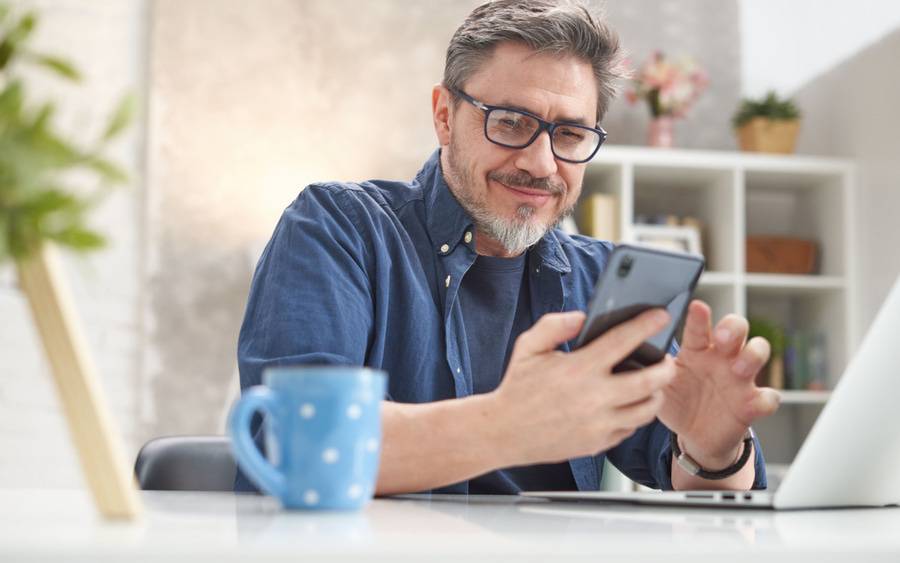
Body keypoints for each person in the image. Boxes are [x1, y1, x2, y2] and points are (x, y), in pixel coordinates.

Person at [236, 0, 780, 495]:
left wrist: (713, 448)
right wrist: (510, 425)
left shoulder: (599, 278)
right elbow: (301, 447)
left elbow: (692, 479)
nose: (542, 164)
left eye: (569, 135)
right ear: (445, 116)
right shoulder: (339, 229)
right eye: (512, 122)